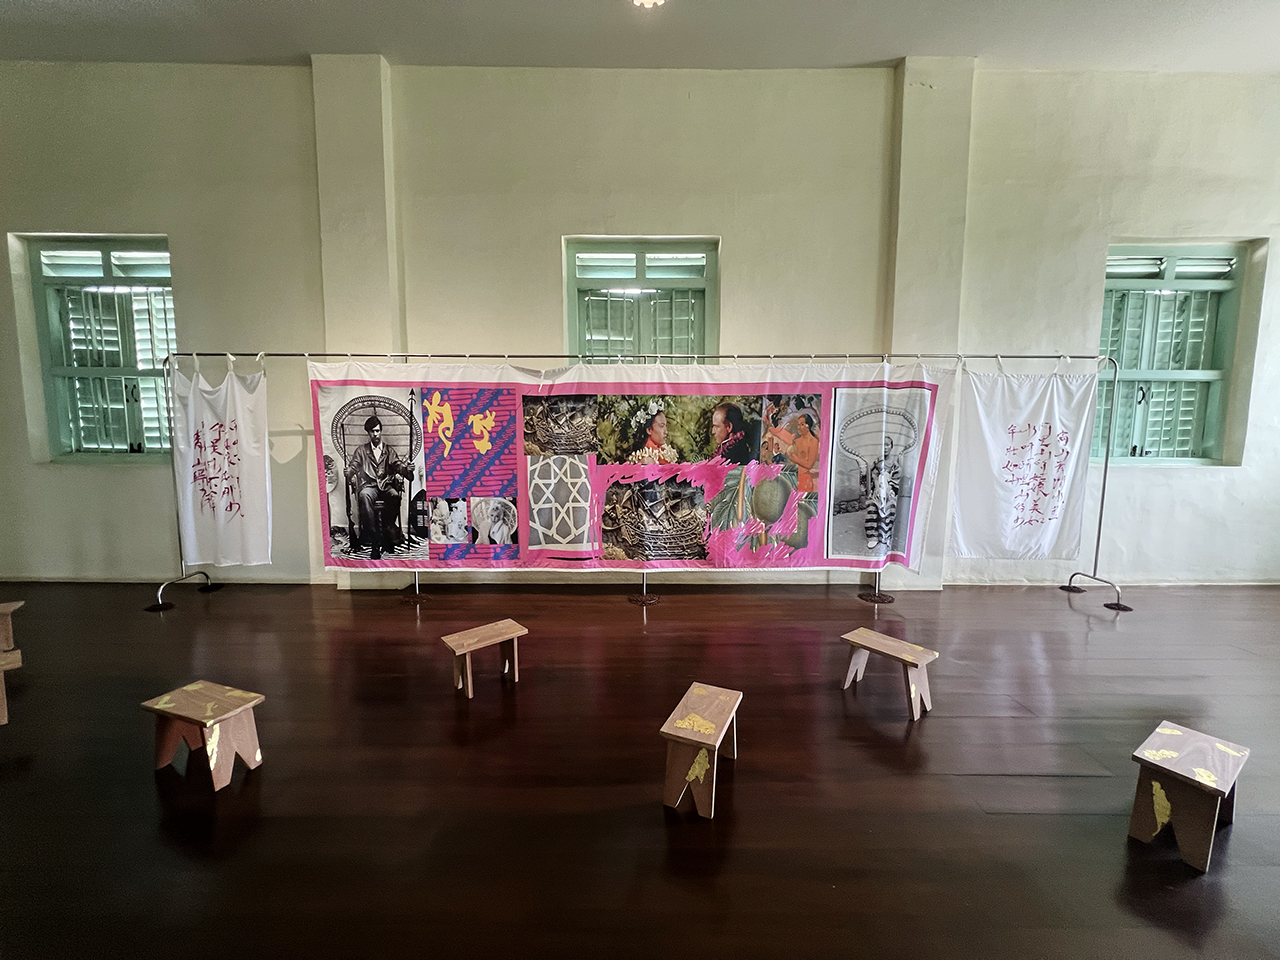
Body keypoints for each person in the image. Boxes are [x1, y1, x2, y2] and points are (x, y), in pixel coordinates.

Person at [344, 415, 412, 559]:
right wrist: (348, 471)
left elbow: (398, 465)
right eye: (372, 431)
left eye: (377, 431)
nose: (375, 434)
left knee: (395, 495)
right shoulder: (361, 451)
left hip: (386, 485)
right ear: (368, 433)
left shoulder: (389, 451)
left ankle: (387, 533)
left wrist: (407, 469)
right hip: (369, 486)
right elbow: (353, 466)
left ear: (381, 431)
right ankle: (375, 541)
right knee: (364, 495)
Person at [853, 435, 900, 551]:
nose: (885, 448)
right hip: (877, 492)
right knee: (872, 510)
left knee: (890, 510)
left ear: (891, 446)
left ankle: (886, 536)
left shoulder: (895, 463)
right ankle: (872, 536)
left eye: (887, 445)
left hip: (889, 493)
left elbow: (896, 478)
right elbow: (871, 474)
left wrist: (890, 490)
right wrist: (875, 485)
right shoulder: (877, 461)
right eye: (883, 445)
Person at [765, 413, 820, 492]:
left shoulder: (813, 441)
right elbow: (788, 455)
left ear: (808, 425)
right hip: (792, 477)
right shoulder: (796, 441)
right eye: (798, 424)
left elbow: (809, 464)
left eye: (802, 424)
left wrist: (794, 458)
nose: (799, 427)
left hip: (804, 479)